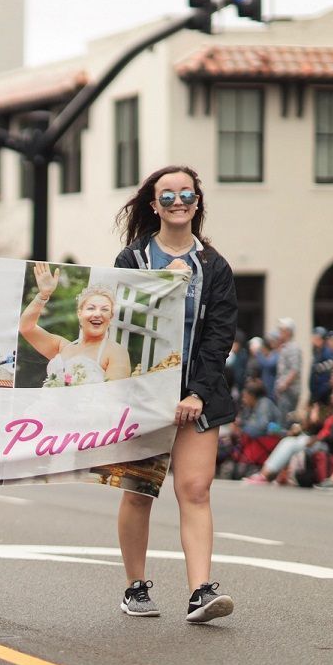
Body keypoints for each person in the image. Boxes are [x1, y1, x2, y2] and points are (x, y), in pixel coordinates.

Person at [113, 164, 237, 623]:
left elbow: (220, 335)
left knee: (196, 489)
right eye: (167, 196)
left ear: (197, 202)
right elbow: (119, 325)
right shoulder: (133, 261)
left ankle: (201, 592)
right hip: (142, 396)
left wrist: (199, 393)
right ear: (154, 205)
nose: (178, 201)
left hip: (196, 397)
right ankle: (135, 587)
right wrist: (168, 288)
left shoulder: (215, 265)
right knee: (139, 491)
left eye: (186, 194)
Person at [19, 266, 131, 385]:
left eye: (104, 310)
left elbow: (113, 396)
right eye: (91, 308)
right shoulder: (62, 347)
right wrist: (43, 295)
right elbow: (26, 327)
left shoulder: (116, 352)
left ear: (111, 317)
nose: (98, 314)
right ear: (80, 314)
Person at [273, 318, 302, 424]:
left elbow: (295, 369)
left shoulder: (293, 348)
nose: (279, 333)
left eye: (281, 330)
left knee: (286, 420)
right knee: (281, 418)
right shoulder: (285, 347)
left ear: (288, 332)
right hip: (284, 391)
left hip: (289, 390)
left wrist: (283, 385)